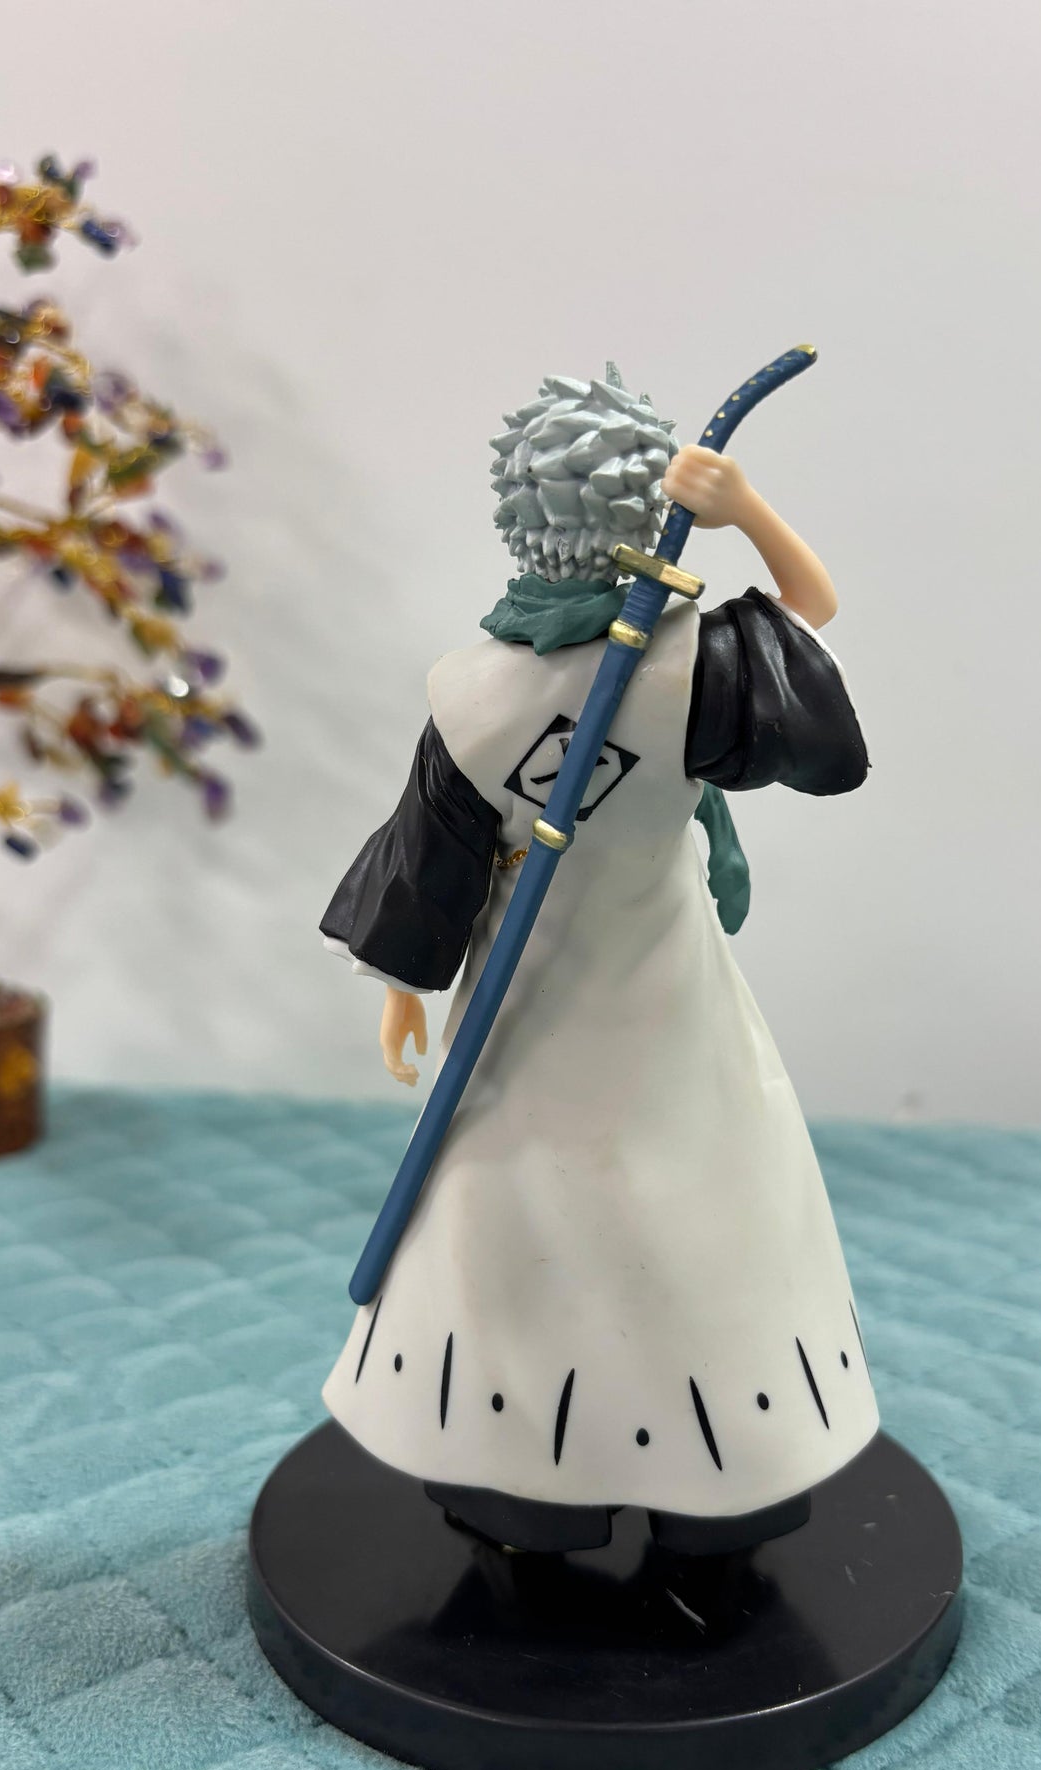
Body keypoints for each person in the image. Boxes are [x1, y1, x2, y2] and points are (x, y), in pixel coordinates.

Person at [319, 367, 878, 1554]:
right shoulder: (696, 669)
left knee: (516, 1208)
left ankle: (519, 1484)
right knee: (694, 1202)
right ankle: (718, 1472)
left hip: (522, 1002)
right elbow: (809, 609)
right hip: (660, 992)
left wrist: (403, 987)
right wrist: (746, 510)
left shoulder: (472, 689)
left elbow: (430, 861)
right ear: (646, 513)